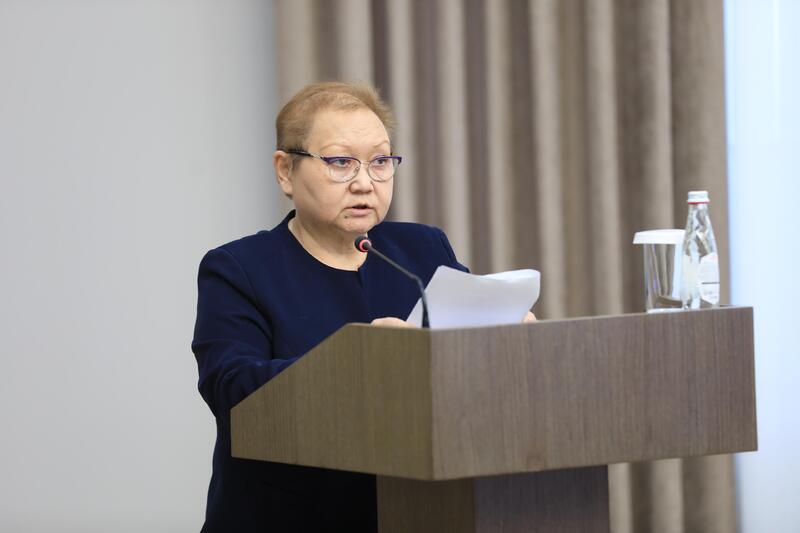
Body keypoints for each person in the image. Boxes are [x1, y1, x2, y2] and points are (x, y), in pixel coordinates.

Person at [191, 81, 534, 532]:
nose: (364, 182)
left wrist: (506, 340)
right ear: (285, 171)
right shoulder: (239, 268)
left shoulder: (422, 250)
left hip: (418, 510)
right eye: (340, 162)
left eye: (380, 162)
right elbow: (232, 392)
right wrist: (356, 363)